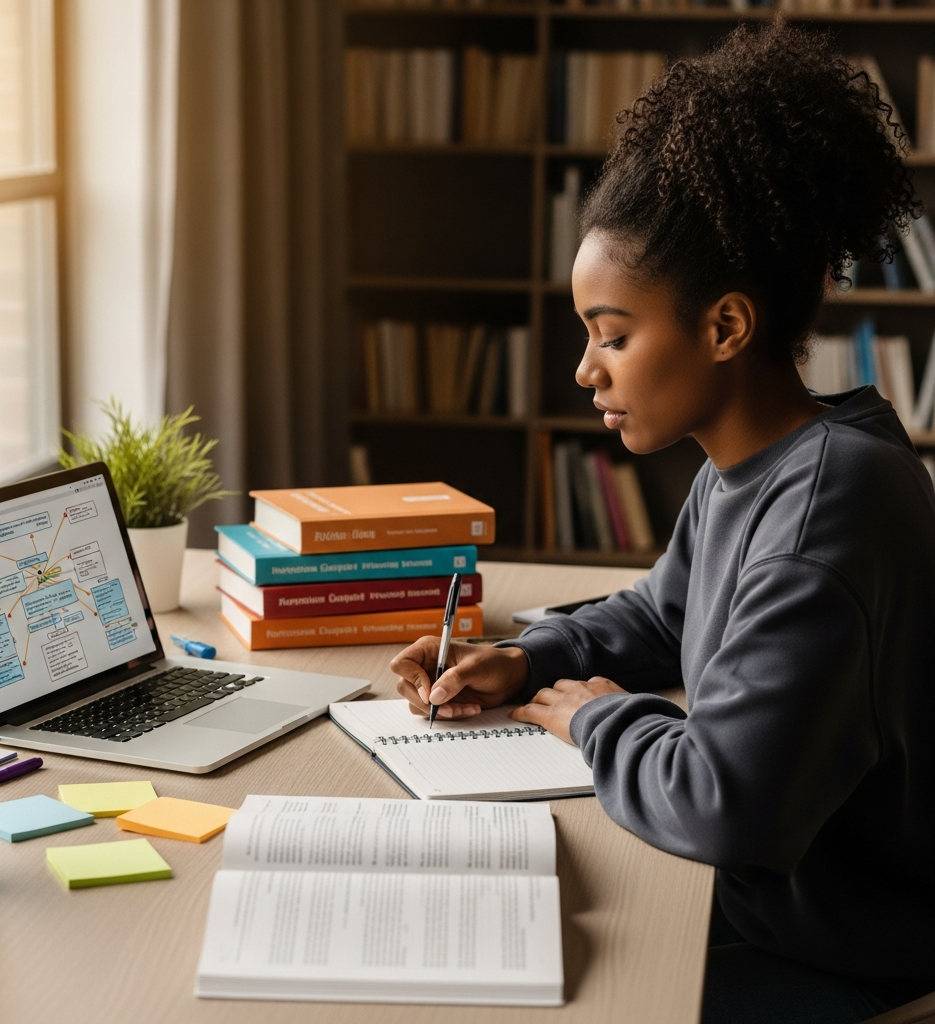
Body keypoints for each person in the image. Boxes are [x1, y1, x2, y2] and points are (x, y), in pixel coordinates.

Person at [390, 23, 934, 1024]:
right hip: (769, 911)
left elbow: (726, 805)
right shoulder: (758, 467)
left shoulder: (828, 510)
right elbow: (661, 613)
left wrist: (596, 717)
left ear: (725, 326)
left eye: (613, 336)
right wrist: (526, 657)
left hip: (841, 957)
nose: (584, 371)